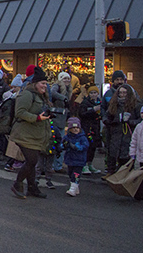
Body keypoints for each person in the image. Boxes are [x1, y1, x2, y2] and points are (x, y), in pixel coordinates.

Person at [10, 66, 52, 199]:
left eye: (46, 84)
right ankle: (17, 184)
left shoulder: (41, 96)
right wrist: (37, 118)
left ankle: (32, 187)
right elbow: (20, 112)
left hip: (35, 134)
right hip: (24, 134)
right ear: (35, 83)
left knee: (32, 162)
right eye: (43, 83)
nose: (45, 86)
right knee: (32, 160)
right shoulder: (27, 94)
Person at [102, 84, 141, 174]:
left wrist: (130, 122)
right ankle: (111, 174)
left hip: (128, 134)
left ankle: (124, 175)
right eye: (121, 93)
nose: (122, 95)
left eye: (125, 93)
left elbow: (140, 120)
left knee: (126, 155)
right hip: (114, 133)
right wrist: (108, 121)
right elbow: (106, 115)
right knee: (112, 154)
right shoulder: (114, 104)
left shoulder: (136, 105)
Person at [75, 85, 103, 175]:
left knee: (93, 147)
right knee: (87, 146)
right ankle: (84, 165)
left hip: (96, 127)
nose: (93, 95)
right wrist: (93, 110)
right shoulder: (85, 103)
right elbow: (82, 114)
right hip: (87, 127)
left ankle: (90, 164)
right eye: (91, 93)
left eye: (95, 93)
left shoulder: (100, 102)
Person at [62, 117, 89, 197]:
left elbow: (85, 146)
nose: (75, 129)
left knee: (76, 174)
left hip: (79, 160)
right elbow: (62, 144)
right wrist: (63, 145)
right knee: (70, 173)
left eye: (77, 128)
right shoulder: (67, 137)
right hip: (70, 159)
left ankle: (73, 188)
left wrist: (76, 147)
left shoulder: (82, 138)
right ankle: (75, 186)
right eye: (73, 128)